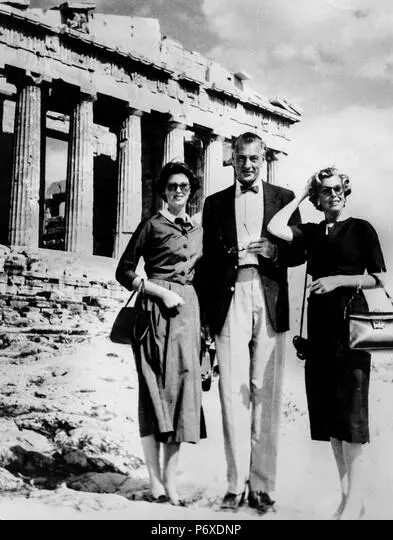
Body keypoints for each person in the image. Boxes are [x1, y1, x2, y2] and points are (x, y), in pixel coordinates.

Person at [267, 166, 386, 520]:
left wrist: (336, 280)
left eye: (337, 189)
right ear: (318, 199)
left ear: (346, 192)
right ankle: (349, 498)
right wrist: (303, 193)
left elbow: (379, 278)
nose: (333, 194)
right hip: (320, 328)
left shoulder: (362, 229)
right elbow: (275, 229)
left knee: (351, 416)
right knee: (332, 419)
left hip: (352, 324)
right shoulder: (313, 232)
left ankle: (355, 499)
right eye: (326, 191)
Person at [199, 132, 305, 513]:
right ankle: (234, 485)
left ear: (264, 159)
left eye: (254, 159)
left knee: (267, 392)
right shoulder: (213, 204)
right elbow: (208, 264)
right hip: (230, 297)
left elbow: (301, 250)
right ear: (232, 159)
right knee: (232, 391)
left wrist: (277, 250)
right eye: (241, 158)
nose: (247, 165)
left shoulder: (284, 198)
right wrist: (207, 319)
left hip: (269, 294)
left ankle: (263, 487)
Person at [115, 161, 206, 506]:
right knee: (153, 394)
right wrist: (159, 291)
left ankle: (172, 480)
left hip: (189, 315)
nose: (178, 191)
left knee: (182, 394)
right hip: (154, 313)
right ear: (164, 192)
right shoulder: (151, 225)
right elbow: (123, 271)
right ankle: (154, 481)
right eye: (172, 187)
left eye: (184, 186)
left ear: (191, 190)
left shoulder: (199, 230)